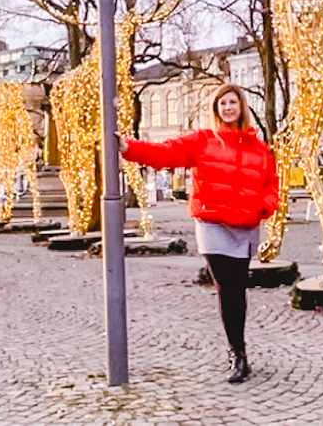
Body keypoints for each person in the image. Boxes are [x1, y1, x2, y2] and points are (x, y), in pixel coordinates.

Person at [118, 83, 278, 384]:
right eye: (222, 104)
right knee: (228, 288)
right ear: (216, 109)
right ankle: (238, 354)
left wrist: (265, 206)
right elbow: (166, 153)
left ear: (241, 106)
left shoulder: (259, 147)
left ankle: (238, 349)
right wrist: (130, 148)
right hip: (213, 224)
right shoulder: (203, 140)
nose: (228, 108)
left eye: (232, 102)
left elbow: (272, 182)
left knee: (237, 290)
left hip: (245, 226)